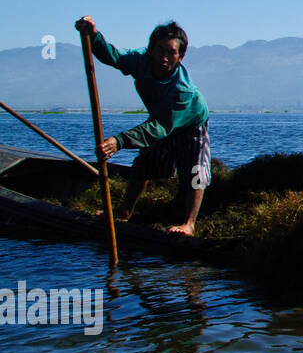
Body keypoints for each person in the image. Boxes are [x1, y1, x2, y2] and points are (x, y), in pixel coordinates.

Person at [73, 16, 211, 235]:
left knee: (196, 170)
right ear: (150, 50)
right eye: (160, 50)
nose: (164, 58)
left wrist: (119, 142)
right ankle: (124, 211)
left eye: (171, 53)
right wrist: (93, 36)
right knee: (143, 163)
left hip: (190, 122)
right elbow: (114, 57)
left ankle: (189, 224)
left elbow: (160, 128)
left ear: (181, 56)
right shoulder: (141, 61)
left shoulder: (183, 92)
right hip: (160, 120)